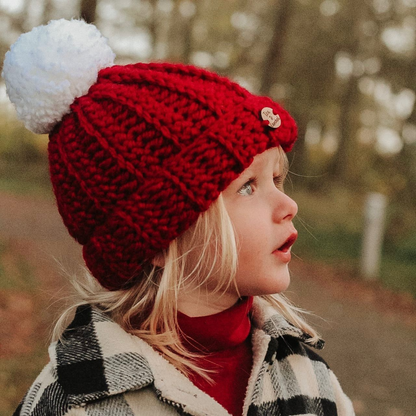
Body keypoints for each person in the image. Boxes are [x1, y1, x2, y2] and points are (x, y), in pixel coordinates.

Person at [3, 19, 355, 416]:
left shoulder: (307, 377)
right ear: (155, 240)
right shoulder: (76, 403)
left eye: (277, 179)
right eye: (248, 187)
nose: (288, 206)